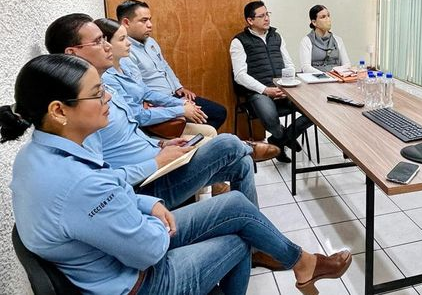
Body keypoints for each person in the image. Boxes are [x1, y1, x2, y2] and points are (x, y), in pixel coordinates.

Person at [2, 54, 352, 295]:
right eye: (97, 93)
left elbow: (112, 185)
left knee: (234, 205)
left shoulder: (39, 152)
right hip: (139, 281)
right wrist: (155, 219)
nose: (109, 97)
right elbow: (149, 251)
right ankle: (300, 262)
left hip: (118, 247)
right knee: (238, 239)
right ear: (59, 110)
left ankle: (303, 263)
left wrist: (148, 204)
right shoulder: (79, 182)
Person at [44, 14, 277, 210]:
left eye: (106, 40)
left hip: (158, 156)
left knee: (240, 162)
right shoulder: (80, 112)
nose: (108, 47)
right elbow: (105, 177)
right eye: (99, 41)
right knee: (227, 143)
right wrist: (158, 159)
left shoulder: (106, 83)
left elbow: (134, 124)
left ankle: (248, 220)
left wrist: (162, 143)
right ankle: (245, 147)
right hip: (149, 180)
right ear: (72, 53)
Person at [94, 17, 218, 140]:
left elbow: (147, 92)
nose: (129, 42)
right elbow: (136, 115)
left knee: (210, 130)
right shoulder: (107, 78)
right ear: (106, 44)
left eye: (126, 37)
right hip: (140, 129)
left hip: (150, 120)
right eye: (122, 39)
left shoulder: (125, 64)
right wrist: (180, 110)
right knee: (209, 138)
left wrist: (182, 103)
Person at [116, 0, 227, 131]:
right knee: (209, 120)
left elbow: (164, 65)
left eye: (150, 20)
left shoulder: (150, 41)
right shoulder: (125, 51)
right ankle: (191, 138)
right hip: (158, 102)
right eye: (144, 20)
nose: (150, 25)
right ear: (126, 23)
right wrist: (176, 105)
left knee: (218, 112)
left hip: (173, 95)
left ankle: (196, 138)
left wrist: (178, 86)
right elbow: (138, 88)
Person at [230, 1, 313, 163]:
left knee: (313, 111)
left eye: (267, 14)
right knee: (270, 118)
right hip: (258, 92)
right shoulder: (239, 42)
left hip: (282, 88)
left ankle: (279, 140)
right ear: (250, 20)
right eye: (261, 16)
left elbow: (289, 65)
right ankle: (284, 139)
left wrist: (286, 85)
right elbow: (240, 75)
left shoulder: (276, 36)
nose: (267, 18)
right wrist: (266, 90)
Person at [299, 5, 351, 73]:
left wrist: (334, 72)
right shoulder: (306, 41)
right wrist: (324, 75)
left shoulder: (338, 40)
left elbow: (347, 64)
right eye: (323, 17)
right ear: (314, 22)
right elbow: (306, 67)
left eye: (328, 16)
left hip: (335, 77)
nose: (328, 19)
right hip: (316, 78)